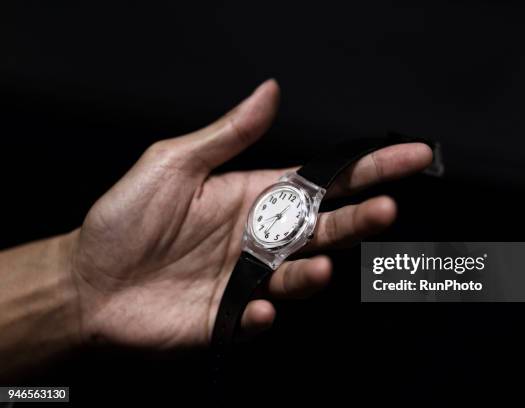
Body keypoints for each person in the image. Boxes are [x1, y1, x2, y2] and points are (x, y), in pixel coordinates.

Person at [0, 80, 432, 379]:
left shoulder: (294, 204)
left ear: (300, 227)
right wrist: (80, 286)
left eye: (288, 220)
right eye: (282, 215)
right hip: (256, 242)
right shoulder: (284, 206)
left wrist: (77, 287)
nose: (285, 219)